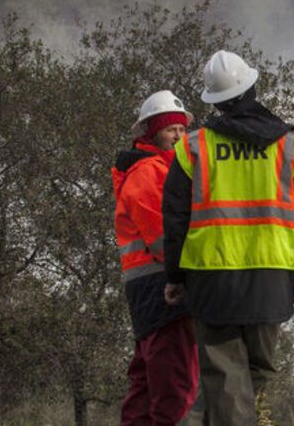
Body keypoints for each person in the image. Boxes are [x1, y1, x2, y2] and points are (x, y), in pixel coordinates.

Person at [162, 50, 294, 424]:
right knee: (255, 372)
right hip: (272, 277)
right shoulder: (291, 145)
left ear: (215, 102)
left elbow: (174, 220)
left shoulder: (192, 148)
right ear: (252, 87)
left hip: (211, 280)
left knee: (226, 379)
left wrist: (174, 276)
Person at [111, 90, 201, 425]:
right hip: (163, 287)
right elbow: (164, 239)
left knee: (147, 386)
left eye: (181, 130)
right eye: (170, 130)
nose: (178, 136)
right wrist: (191, 273)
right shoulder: (149, 172)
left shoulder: (160, 169)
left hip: (150, 290)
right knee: (175, 387)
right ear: (151, 132)